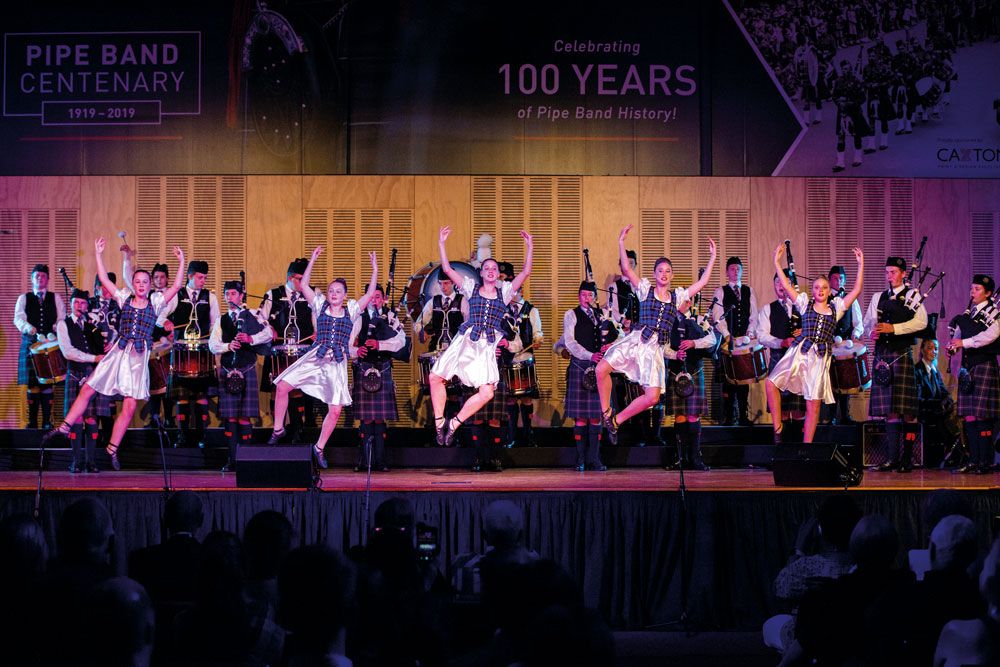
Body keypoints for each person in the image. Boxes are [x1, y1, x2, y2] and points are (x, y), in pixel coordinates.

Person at [42, 239, 185, 470]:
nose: (140, 285)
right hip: (119, 352)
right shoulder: (124, 298)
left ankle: (112, 449)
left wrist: (181, 261)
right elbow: (105, 280)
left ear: (149, 285)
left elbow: (177, 286)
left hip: (138, 359)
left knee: (129, 406)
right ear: (133, 284)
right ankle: (65, 426)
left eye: (144, 282)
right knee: (88, 388)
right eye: (137, 281)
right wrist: (98, 254)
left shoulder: (156, 302)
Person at [597, 224, 717, 444]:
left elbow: (702, 283)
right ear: (654, 274)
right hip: (636, 341)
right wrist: (621, 242)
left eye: (668, 271)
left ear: (672, 276)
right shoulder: (645, 289)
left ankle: (616, 420)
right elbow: (626, 269)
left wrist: (713, 257)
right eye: (660, 270)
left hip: (654, 350)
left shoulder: (678, 297)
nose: (664, 274)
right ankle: (606, 414)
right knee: (601, 369)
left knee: (652, 397)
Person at [267, 246, 379, 469]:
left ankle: (318, 448)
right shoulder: (319, 304)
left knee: (335, 410)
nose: (334, 293)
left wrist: (374, 268)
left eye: (338, 291)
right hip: (315, 358)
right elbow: (306, 285)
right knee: (281, 386)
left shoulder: (352, 310)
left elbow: (369, 294)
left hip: (335, 364)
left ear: (345, 295)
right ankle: (278, 428)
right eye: (331, 290)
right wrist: (313, 260)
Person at [429, 226, 533, 447]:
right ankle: (440, 424)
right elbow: (447, 269)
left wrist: (530, 247)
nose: (491, 270)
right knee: (435, 377)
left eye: (494, 268)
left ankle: (455, 423)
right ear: (482, 272)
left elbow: (525, 273)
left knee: (487, 392)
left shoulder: (504, 292)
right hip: (466, 340)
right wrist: (441, 244)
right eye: (487, 267)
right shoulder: (471, 288)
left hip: (486, 347)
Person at [766, 245, 865, 444]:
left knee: (814, 405)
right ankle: (778, 431)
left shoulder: (836, 308)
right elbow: (786, 286)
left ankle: (807, 447)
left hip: (819, 358)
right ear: (812, 290)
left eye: (824, 287)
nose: (820, 290)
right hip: (800, 352)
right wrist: (777, 263)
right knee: (770, 383)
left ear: (830, 291)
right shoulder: (804, 304)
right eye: (817, 287)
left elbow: (856, 290)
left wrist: (861, 264)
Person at [864, 256, 928, 472]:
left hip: (901, 354)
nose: (889, 276)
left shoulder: (913, 296)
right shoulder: (878, 297)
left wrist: (895, 329)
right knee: (889, 411)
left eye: (893, 272)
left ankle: (907, 459)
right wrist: (870, 331)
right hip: (883, 355)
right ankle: (892, 458)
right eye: (887, 272)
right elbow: (867, 322)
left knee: (907, 410)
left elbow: (921, 323)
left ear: (903, 274)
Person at [209, 279, 273, 472]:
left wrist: (250, 338)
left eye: (233, 294)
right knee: (230, 418)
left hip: (247, 369)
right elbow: (213, 345)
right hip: (229, 372)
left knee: (245, 417)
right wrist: (228, 346)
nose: (230, 298)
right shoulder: (221, 320)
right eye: (227, 294)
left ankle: (246, 460)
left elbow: (269, 333)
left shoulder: (253, 314)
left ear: (241, 295)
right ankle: (233, 460)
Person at [260, 258, 319, 438]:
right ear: (290, 277)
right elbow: (261, 318)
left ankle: (297, 429)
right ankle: (277, 430)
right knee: (276, 389)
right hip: (279, 353)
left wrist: (318, 331)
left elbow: (318, 315)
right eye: (300, 279)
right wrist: (268, 326)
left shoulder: (312, 293)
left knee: (299, 389)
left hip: (303, 352)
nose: (304, 283)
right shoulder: (273, 294)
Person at [350, 284, 406, 472]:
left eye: (378, 297)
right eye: (371, 297)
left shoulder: (390, 316)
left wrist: (380, 344)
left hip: (383, 368)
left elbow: (401, 341)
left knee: (381, 420)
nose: (375, 300)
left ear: (382, 299)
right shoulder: (358, 316)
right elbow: (347, 343)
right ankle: (365, 461)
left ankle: (381, 461)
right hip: (363, 368)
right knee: (366, 420)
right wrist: (356, 350)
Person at [947, 274, 1000, 473]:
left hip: (984, 365)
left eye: (977, 289)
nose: (973, 291)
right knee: (969, 416)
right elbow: (959, 335)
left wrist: (964, 343)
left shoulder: (994, 314)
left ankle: (984, 462)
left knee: (982, 416)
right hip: (968, 367)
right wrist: (953, 346)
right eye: (972, 288)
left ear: (988, 294)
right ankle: (973, 460)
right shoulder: (968, 314)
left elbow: (990, 336)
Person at [562, 281, 617, 471]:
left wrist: (609, 346)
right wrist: (589, 355)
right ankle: (580, 459)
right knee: (580, 418)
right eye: (583, 295)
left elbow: (615, 336)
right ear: (579, 296)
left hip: (599, 368)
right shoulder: (571, 315)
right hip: (580, 366)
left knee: (596, 417)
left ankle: (594, 458)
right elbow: (569, 342)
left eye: (590, 295)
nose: (587, 298)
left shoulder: (602, 315)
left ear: (595, 297)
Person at [168, 259, 220, 448]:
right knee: (182, 396)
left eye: (205, 277)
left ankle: (201, 435)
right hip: (182, 349)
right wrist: (166, 324)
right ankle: (182, 435)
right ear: (189, 276)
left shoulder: (210, 297)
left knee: (201, 396)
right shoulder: (177, 295)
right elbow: (160, 315)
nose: (203, 281)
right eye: (200, 277)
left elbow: (216, 325)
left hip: (203, 350)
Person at [55, 288, 107, 472]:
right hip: (75, 373)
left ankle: (91, 462)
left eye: (83, 303)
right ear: (71, 304)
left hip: (93, 376)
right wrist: (93, 358)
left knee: (92, 420)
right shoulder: (63, 324)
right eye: (76, 302)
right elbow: (68, 352)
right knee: (76, 419)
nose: (80, 306)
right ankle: (76, 461)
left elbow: (103, 345)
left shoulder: (92, 325)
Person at [664, 301, 718, 470]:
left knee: (693, 416)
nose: (684, 303)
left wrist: (694, 343)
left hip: (694, 372)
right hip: (675, 372)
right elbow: (662, 346)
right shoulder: (668, 321)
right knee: (679, 416)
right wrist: (674, 354)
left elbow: (712, 339)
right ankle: (680, 458)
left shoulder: (700, 319)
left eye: (687, 300)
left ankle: (695, 458)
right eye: (681, 300)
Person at [14, 263, 65, 429]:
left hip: (50, 345)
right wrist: (29, 328)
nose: (40, 278)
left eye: (43, 276)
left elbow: (61, 318)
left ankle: (47, 422)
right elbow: (18, 319)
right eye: (37, 275)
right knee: (32, 384)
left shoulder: (55, 298)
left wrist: (57, 328)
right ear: (32, 279)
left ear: (48, 279)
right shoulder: (24, 298)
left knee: (48, 384)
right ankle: (32, 422)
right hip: (31, 345)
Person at [711, 255, 758, 426]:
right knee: (728, 381)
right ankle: (729, 416)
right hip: (727, 342)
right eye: (732, 268)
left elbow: (753, 315)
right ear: (726, 272)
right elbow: (717, 316)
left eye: (738, 269)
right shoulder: (720, 291)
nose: (735, 271)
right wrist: (726, 334)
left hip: (744, 342)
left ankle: (744, 415)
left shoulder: (749, 290)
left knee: (744, 379)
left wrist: (750, 332)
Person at [758, 270, 806, 432]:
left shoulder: (803, 307)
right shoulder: (768, 309)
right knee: (781, 410)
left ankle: (800, 452)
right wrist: (780, 342)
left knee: (799, 411)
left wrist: (804, 333)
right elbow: (761, 335)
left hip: (800, 361)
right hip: (778, 361)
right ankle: (782, 450)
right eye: (777, 282)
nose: (780, 285)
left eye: (783, 282)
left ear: (791, 285)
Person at [505, 282, 544, 447]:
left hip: (525, 356)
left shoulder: (531, 310)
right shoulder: (502, 309)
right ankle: (512, 436)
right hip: (507, 359)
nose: (513, 295)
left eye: (515, 291)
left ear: (521, 291)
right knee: (510, 399)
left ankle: (528, 434)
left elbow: (538, 332)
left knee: (527, 398)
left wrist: (537, 339)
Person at [826, 264, 865, 424]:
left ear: (845, 280)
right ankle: (831, 416)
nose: (838, 281)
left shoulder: (850, 299)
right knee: (830, 382)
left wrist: (855, 336)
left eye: (841, 278)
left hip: (845, 348)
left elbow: (859, 322)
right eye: (835, 278)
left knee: (845, 380)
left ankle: (845, 416)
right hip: (829, 347)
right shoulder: (823, 299)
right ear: (829, 280)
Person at [915, 339, 962, 467]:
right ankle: (954, 454)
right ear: (922, 350)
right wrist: (938, 404)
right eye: (930, 348)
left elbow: (943, 392)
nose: (934, 351)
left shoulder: (934, 370)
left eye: (936, 348)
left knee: (959, 410)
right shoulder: (917, 370)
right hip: (926, 411)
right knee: (954, 421)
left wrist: (948, 401)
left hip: (937, 410)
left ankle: (955, 452)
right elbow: (919, 398)